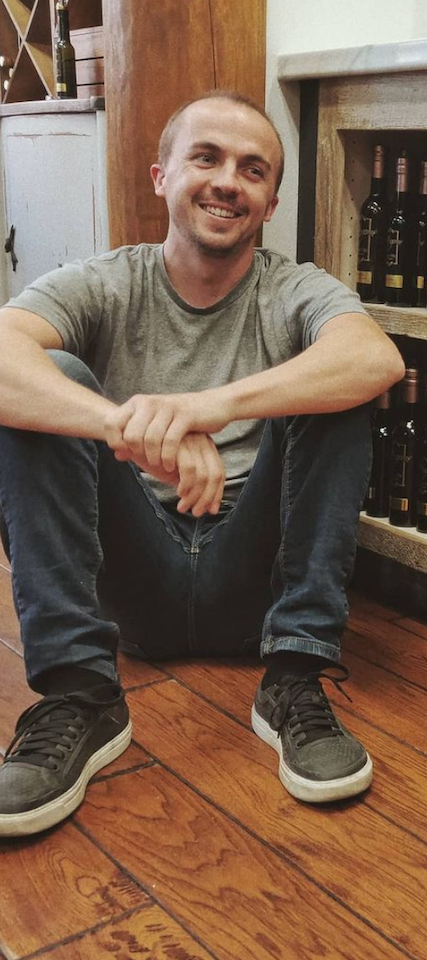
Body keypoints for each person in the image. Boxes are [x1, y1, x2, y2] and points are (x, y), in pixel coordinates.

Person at [0, 90, 405, 837]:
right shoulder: (105, 281)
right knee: (49, 381)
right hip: (130, 584)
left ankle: (293, 678)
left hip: (255, 583)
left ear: (271, 200)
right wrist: (128, 428)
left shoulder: (293, 287)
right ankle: (80, 696)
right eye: (207, 157)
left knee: (339, 386)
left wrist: (207, 407)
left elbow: (374, 356)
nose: (228, 181)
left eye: (252, 170)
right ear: (161, 176)